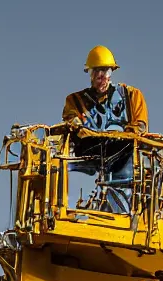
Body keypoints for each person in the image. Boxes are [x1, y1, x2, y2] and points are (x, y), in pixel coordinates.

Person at [63, 46, 148, 212]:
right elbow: (71, 121)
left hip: (123, 159)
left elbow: (141, 126)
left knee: (124, 185)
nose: (101, 77)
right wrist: (81, 128)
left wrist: (122, 136)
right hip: (89, 155)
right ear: (90, 74)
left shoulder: (131, 97)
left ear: (111, 72)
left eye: (105, 72)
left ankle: (122, 209)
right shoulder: (75, 101)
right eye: (96, 72)